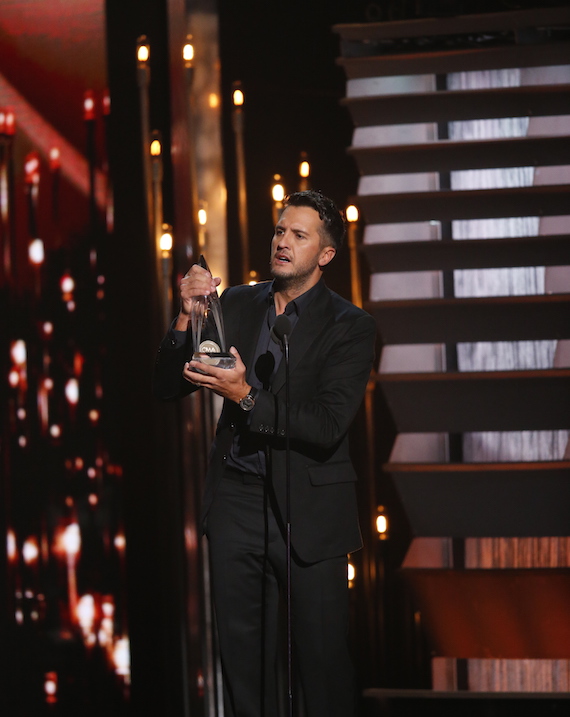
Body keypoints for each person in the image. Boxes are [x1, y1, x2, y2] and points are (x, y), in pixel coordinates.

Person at [153, 190, 376, 717]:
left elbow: (325, 426)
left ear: (325, 254)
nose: (282, 242)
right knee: (245, 671)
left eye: (299, 235)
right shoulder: (235, 304)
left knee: (321, 671)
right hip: (238, 502)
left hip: (311, 514)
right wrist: (186, 317)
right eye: (280, 230)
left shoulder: (351, 326)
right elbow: (168, 384)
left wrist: (246, 396)